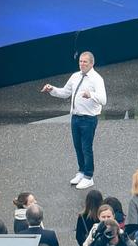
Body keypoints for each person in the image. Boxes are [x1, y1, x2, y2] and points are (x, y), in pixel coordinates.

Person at [43, 52, 106, 189]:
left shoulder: (97, 79)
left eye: (85, 62)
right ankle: (82, 171)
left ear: (92, 63)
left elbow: (103, 99)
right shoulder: (75, 76)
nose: (82, 64)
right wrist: (52, 89)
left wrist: (91, 95)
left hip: (89, 119)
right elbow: (65, 92)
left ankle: (89, 176)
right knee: (78, 146)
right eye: (80, 61)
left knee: (86, 148)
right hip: (75, 118)